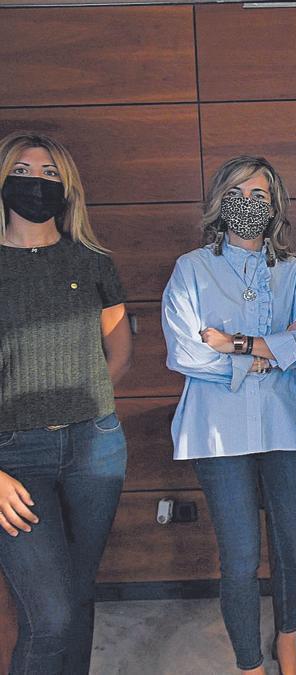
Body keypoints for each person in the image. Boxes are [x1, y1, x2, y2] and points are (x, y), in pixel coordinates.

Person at [162, 156, 296, 675]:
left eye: (260, 196)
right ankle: (249, 662)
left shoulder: (292, 271)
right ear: (218, 201)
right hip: (218, 431)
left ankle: (288, 636)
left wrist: (233, 345)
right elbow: (185, 353)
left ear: (275, 206)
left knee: (295, 547)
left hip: (287, 423)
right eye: (238, 193)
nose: (249, 205)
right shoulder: (192, 269)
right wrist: (267, 354)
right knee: (241, 558)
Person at [0, 131, 132, 674]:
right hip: (14, 458)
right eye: (25, 170)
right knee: (49, 614)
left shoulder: (92, 260)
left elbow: (118, 351)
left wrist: (86, 401)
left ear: (69, 188)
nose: (38, 181)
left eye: (52, 173)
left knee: (77, 600)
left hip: (94, 449)